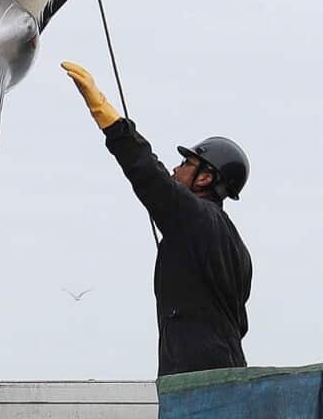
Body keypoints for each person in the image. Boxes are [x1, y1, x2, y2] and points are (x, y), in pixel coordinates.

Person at [61, 61, 252, 377]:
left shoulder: (197, 219)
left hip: (197, 380)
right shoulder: (236, 248)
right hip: (226, 374)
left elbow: (150, 176)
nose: (177, 169)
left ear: (206, 178)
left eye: (186, 163)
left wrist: (111, 121)